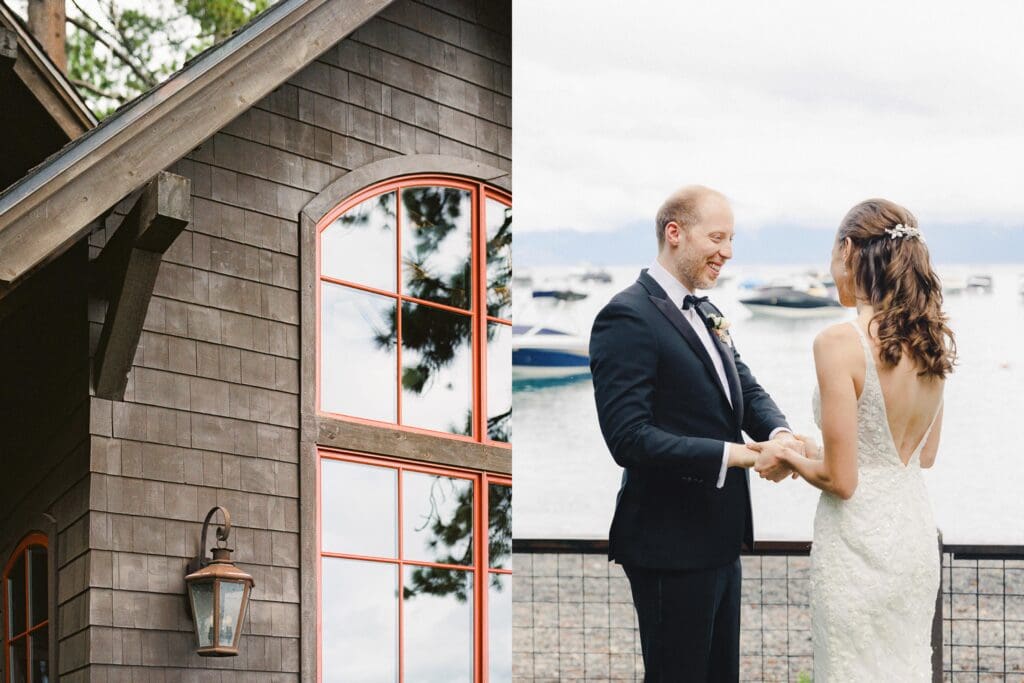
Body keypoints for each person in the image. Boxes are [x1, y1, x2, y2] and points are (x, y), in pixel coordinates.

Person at [589, 185, 810, 682]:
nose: (727, 253)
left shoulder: (708, 312)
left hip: (719, 538)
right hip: (667, 543)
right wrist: (741, 456)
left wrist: (781, 435)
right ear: (675, 233)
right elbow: (629, 438)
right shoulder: (626, 315)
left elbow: (747, 391)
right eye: (717, 237)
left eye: (731, 240)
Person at [751, 198, 956, 681]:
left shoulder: (838, 342)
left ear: (847, 250)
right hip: (911, 538)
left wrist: (786, 455)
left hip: (857, 543)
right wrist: (812, 450)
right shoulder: (931, 339)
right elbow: (919, 456)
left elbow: (842, 481)